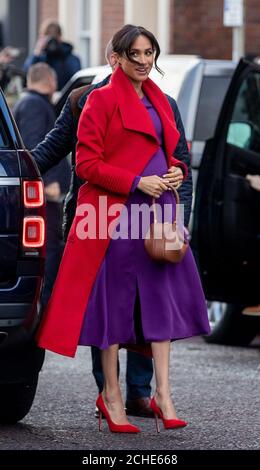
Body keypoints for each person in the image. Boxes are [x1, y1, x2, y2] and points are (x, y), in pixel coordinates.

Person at [37, 26, 210, 433]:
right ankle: (109, 392)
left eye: (150, 53)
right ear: (115, 56)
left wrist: (176, 214)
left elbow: (179, 158)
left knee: (151, 302)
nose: (144, 61)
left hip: (153, 216)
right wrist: (18, 174)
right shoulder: (86, 100)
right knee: (110, 306)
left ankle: (141, 392)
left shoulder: (165, 102)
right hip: (103, 217)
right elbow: (59, 151)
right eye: (135, 53)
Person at [13, 63, 70, 308]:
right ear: (50, 81)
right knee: (49, 257)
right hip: (46, 197)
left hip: (45, 195)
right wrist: (47, 184)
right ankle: (44, 316)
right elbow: (33, 146)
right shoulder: (35, 105)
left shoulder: (28, 103)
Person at [23, 19, 81, 90]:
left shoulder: (70, 58)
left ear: (60, 38)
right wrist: (37, 52)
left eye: (54, 39)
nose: (51, 44)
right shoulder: (40, 58)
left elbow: (75, 81)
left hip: (64, 97)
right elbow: (26, 74)